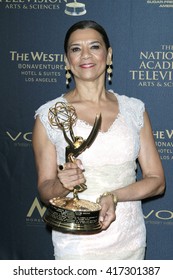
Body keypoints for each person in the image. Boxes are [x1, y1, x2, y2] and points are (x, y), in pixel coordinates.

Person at [32, 20, 165, 260]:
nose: (85, 55)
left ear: (109, 54)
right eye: (75, 48)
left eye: (94, 46)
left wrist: (114, 196)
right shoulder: (48, 116)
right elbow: (45, 189)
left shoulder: (134, 110)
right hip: (77, 244)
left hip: (129, 239)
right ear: (66, 60)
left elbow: (157, 181)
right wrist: (64, 184)